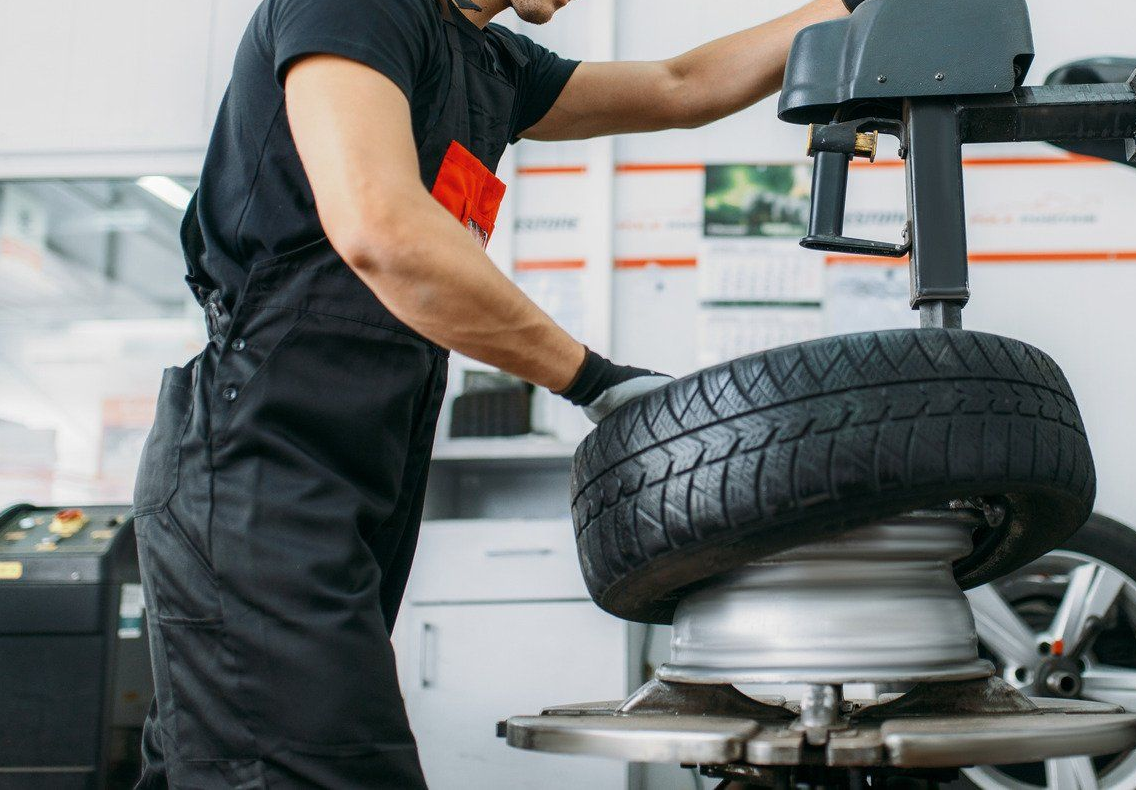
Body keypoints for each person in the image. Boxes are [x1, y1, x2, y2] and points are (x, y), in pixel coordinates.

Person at [131, 0, 868, 786]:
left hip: (360, 471)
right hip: (256, 462)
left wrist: (851, 8)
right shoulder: (359, 8)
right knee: (319, 766)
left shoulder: (493, 65)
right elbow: (382, 229)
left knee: (224, 759)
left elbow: (680, 85)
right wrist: (594, 380)